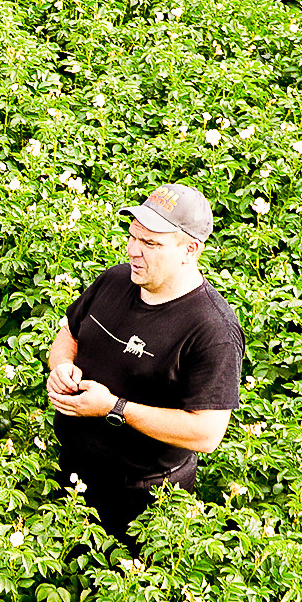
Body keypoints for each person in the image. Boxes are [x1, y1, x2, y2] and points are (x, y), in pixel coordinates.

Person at [46, 183, 245, 549]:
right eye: (133, 236)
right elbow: (69, 333)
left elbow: (206, 434)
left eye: (151, 244)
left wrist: (114, 409)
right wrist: (61, 366)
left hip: (143, 500)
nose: (134, 251)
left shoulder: (212, 328)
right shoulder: (115, 280)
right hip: (71, 476)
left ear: (190, 250)